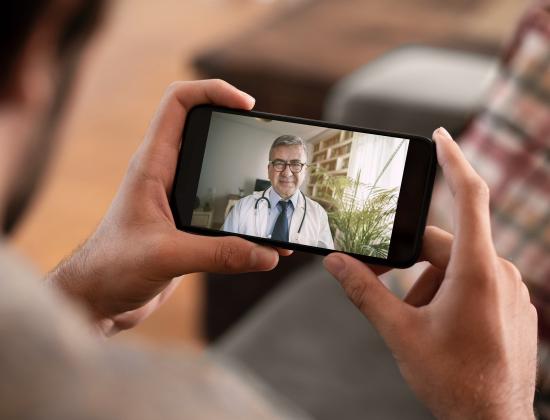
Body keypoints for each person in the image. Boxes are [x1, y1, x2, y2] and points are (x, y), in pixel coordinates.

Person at [0, 1, 538, 419]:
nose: (285, 174)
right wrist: (494, 408)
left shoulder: (318, 221)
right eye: (278, 166)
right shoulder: (240, 215)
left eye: (293, 168)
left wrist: (84, 296)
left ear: (302, 173)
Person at [222, 135, 334, 249]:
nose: (287, 173)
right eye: (279, 163)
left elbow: (323, 263)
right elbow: (224, 249)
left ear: (304, 171)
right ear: (269, 170)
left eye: (296, 164)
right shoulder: (242, 207)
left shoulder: (319, 215)